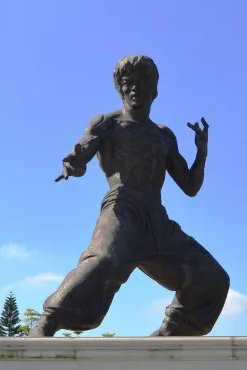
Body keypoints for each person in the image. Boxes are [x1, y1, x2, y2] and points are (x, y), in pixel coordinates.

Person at [29, 55, 230, 338]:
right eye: (128, 82)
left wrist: (201, 152)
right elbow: (81, 153)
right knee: (102, 262)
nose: (135, 88)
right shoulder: (107, 124)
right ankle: (47, 322)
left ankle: (170, 335)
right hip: (123, 209)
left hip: (157, 221)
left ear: (154, 90)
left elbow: (190, 187)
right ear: (120, 88)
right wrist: (72, 164)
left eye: (143, 82)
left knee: (212, 278)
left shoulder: (164, 135)